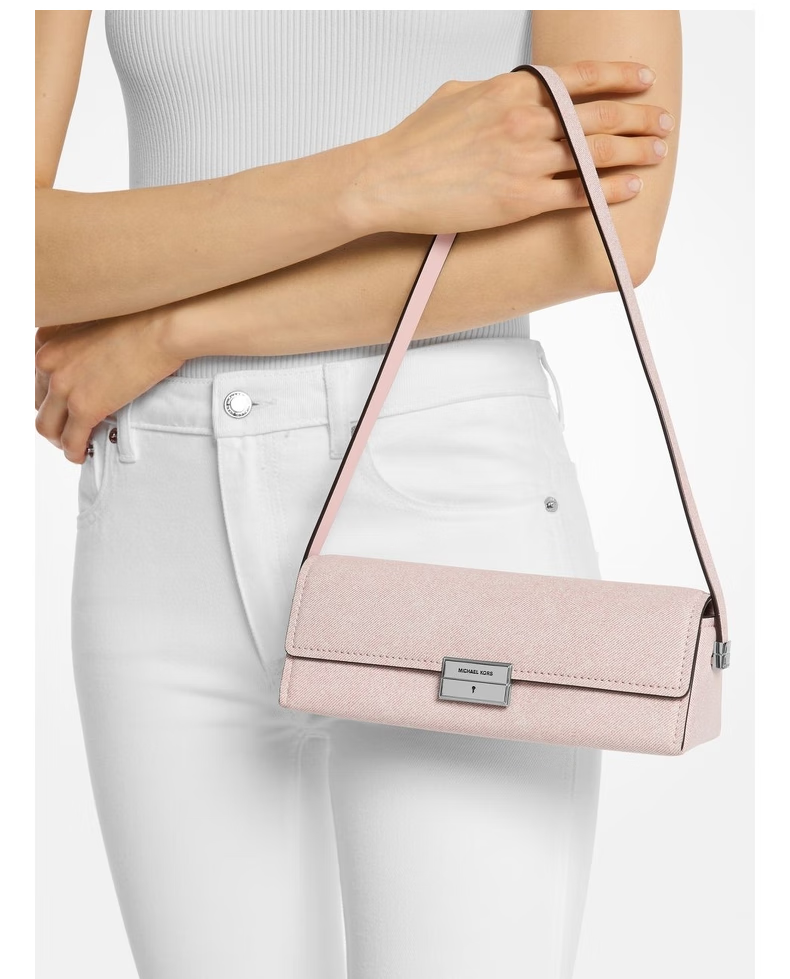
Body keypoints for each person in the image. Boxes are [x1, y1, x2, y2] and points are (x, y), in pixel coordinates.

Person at [35, 10, 681, 979]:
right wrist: (374, 177)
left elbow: (605, 236)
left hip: (447, 513)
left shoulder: (165, 339)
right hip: (159, 516)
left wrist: (173, 330)